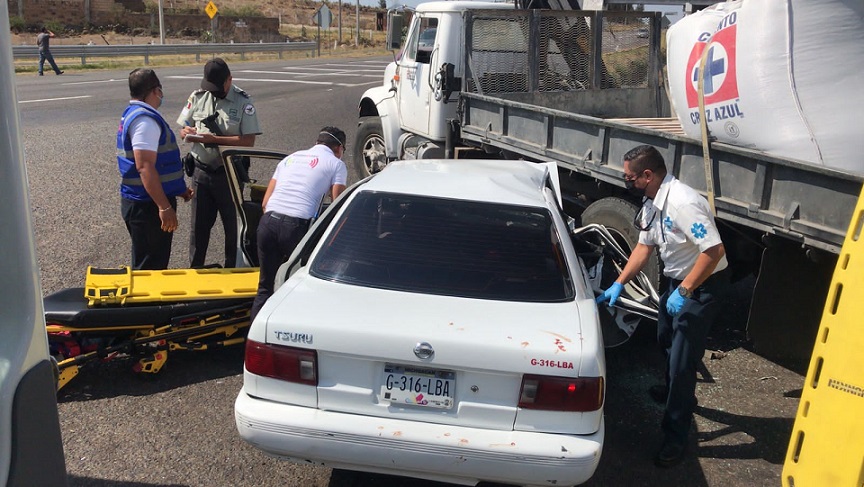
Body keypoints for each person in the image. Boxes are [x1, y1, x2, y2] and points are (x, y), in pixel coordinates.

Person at [595, 145, 729, 468]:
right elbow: (644, 247)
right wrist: (619, 282)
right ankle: (675, 390)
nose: (625, 181)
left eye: (629, 177)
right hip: (677, 282)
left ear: (647, 175)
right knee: (665, 341)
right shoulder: (653, 201)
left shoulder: (683, 204)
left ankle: (676, 435)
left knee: (682, 362)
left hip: (701, 285)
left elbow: (713, 251)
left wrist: (684, 290)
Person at [249, 127, 348, 321]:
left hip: (268, 223)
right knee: (302, 286)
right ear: (339, 148)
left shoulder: (290, 158)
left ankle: (253, 340)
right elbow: (338, 203)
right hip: (296, 227)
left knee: (265, 287)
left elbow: (265, 202)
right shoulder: (336, 164)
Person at [177, 58, 261, 268]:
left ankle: (231, 273)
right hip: (201, 173)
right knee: (198, 230)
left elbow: (248, 141)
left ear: (229, 80)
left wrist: (214, 140)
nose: (213, 91)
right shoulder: (198, 96)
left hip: (229, 175)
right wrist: (186, 132)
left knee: (233, 230)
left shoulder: (243, 102)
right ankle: (195, 272)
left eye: (217, 87)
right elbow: (183, 126)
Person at [118, 68, 193, 270]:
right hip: (147, 206)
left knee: (150, 262)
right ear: (155, 90)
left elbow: (158, 165)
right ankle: (145, 303)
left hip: (144, 201)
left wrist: (178, 189)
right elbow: (145, 167)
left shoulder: (134, 114)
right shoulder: (145, 121)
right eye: (160, 90)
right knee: (150, 269)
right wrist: (164, 207)